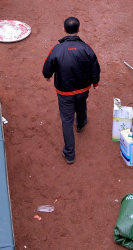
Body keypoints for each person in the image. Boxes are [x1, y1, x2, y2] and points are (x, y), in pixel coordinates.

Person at [43, 17, 100, 164]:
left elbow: (47, 68)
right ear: (79, 29)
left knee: (66, 120)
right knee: (81, 105)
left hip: (64, 92)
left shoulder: (56, 49)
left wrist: (48, 76)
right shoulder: (86, 48)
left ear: (64, 29)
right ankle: (81, 123)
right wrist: (96, 83)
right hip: (83, 88)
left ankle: (69, 154)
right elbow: (95, 66)